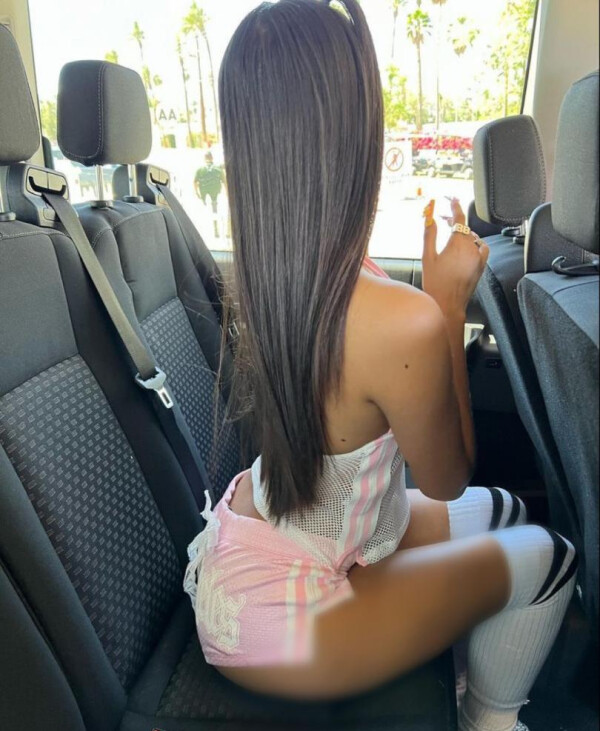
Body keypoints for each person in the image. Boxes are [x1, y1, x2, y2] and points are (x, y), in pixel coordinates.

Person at [184, 3, 576, 730]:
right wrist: (446, 305)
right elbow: (448, 477)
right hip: (279, 617)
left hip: (270, 550)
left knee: (511, 510)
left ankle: (455, 664)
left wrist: (432, 302)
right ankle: (485, 720)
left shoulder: (278, 276)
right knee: (552, 557)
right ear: (356, 136)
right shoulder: (396, 315)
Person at [194, 151, 225, 237]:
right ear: (212, 158)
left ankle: (212, 231)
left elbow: (195, 182)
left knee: (208, 214)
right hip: (216, 195)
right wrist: (227, 194)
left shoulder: (200, 170)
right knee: (215, 212)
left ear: (205, 159)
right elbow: (225, 182)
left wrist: (197, 193)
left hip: (204, 197)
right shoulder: (218, 169)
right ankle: (217, 230)